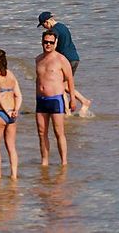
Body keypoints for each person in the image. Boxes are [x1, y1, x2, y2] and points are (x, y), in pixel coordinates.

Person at [37, 12, 91, 114]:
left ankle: (77, 105)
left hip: (66, 60)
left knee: (62, 86)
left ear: (47, 22)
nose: (44, 28)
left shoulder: (54, 30)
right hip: (74, 58)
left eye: (43, 25)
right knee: (65, 85)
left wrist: (47, 55)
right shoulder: (63, 26)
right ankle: (71, 108)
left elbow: (54, 41)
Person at [36, 29, 76, 166]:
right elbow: (39, 79)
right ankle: (44, 161)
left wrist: (72, 99)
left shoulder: (61, 59)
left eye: (51, 42)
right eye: (45, 42)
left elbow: (70, 79)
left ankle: (64, 162)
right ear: (42, 42)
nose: (48, 44)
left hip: (56, 100)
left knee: (59, 132)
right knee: (42, 132)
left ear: (55, 42)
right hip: (41, 101)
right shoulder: (38, 59)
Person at [0, 49, 22, 179]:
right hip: (12, 115)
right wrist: (15, 110)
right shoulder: (11, 75)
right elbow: (18, 95)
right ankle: (14, 175)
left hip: (0, 113)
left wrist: (5, 110)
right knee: (11, 147)